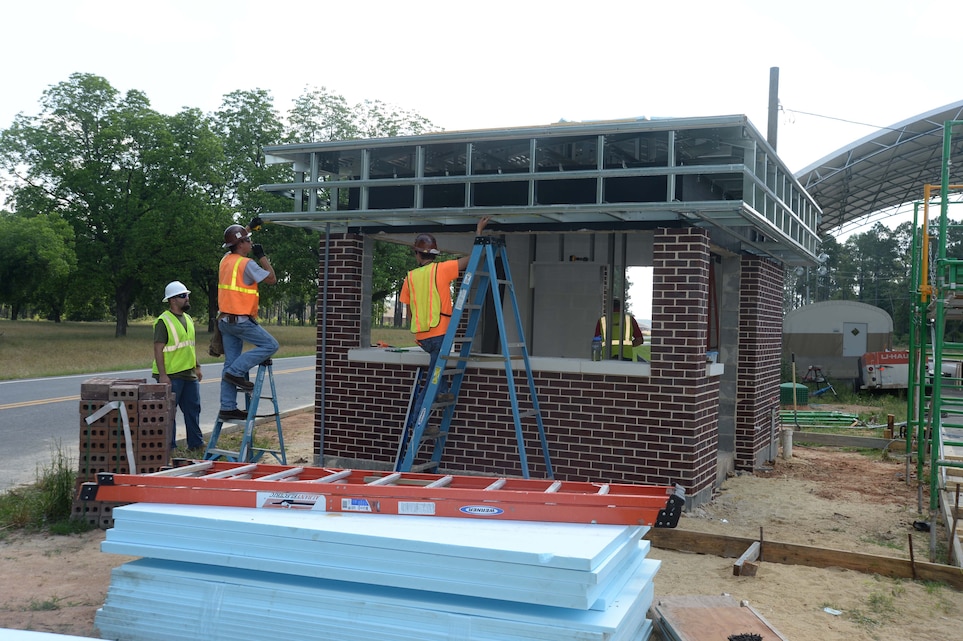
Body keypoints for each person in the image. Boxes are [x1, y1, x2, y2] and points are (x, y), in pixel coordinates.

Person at [399, 217, 490, 417]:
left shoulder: (410, 278)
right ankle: (417, 419)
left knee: (436, 372)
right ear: (433, 254)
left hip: (422, 338)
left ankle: (443, 392)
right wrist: (478, 233)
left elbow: (409, 313)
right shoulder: (440, 270)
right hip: (440, 334)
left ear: (417, 254)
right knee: (433, 376)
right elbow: (473, 257)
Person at [217, 217, 278, 421]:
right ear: (241, 245)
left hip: (225, 321)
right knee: (270, 345)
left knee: (229, 364)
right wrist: (262, 256)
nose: (250, 243)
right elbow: (271, 279)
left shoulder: (226, 260)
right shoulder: (247, 264)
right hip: (241, 322)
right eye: (248, 240)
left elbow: (234, 239)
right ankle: (236, 372)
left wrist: (249, 227)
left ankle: (227, 408)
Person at [152, 280, 204, 451]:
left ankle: (196, 445)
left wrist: (197, 366)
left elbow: (190, 345)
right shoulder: (163, 321)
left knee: (193, 410)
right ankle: (170, 448)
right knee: (169, 413)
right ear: (173, 300)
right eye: (183, 296)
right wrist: (163, 375)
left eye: (187, 295)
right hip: (171, 375)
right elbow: (158, 349)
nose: (187, 298)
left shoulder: (188, 318)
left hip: (188, 374)